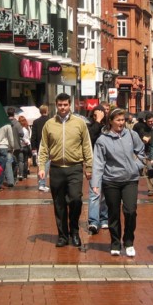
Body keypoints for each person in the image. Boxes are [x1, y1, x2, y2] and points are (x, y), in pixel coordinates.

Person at [37, 93, 93, 248]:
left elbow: (87, 146)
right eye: (60, 105)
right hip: (56, 168)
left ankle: (74, 231)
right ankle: (62, 235)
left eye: (65, 105)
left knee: (76, 199)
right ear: (56, 105)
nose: (62, 108)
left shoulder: (79, 123)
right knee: (59, 204)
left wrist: (89, 167)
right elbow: (43, 148)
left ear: (70, 105)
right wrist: (41, 167)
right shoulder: (49, 124)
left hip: (74, 168)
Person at [91, 108, 146, 257]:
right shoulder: (103, 140)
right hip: (111, 181)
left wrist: (138, 166)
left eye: (123, 120)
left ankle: (128, 241)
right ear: (110, 121)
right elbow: (98, 163)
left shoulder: (131, 135)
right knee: (113, 213)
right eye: (118, 120)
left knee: (130, 211)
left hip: (130, 179)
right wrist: (95, 183)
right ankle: (115, 242)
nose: (121, 123)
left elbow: (141, 151)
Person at [86, 105, 109, 234]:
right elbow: (89, 139)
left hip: (108, 164)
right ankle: (93, 222)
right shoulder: (90, 126)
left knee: (106, 193)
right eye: (95, 115)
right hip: (95, 164)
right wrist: (97, 122)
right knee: (94, 193)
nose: (98, 117)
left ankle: (104, 218)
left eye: (100, 115)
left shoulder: (108, 128)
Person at [133, 112, 153, 196]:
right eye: (149, 121)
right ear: (145, 121)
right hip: (148, 152)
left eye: (151, 121)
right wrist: (143, 139)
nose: (150, 123)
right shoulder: (143, 129)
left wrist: (150, 138)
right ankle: (151, 189)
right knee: (149, 170)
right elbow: (140, 136)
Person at [31, 105, 51, 193]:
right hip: (51, 146)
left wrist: (33, 147)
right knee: (50, 166)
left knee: (42, 165)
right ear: (47, 110)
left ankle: (41, 183)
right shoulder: (51, 121)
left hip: (40, 146)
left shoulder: (35, 122)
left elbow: (33, 136)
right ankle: (43, 184)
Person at [0, 119, 17, 192]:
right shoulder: (7, 124)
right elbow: (10, 137)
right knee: (1, 167)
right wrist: (12, 147)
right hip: (3, 146)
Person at [16, 115, 32, 180]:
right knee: (25, 161)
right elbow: (29, 137)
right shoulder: (27, 129)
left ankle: (20, 174)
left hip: (20, 146)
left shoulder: (19, 129)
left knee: (20, 161)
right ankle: (25, 175)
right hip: (27, 146)